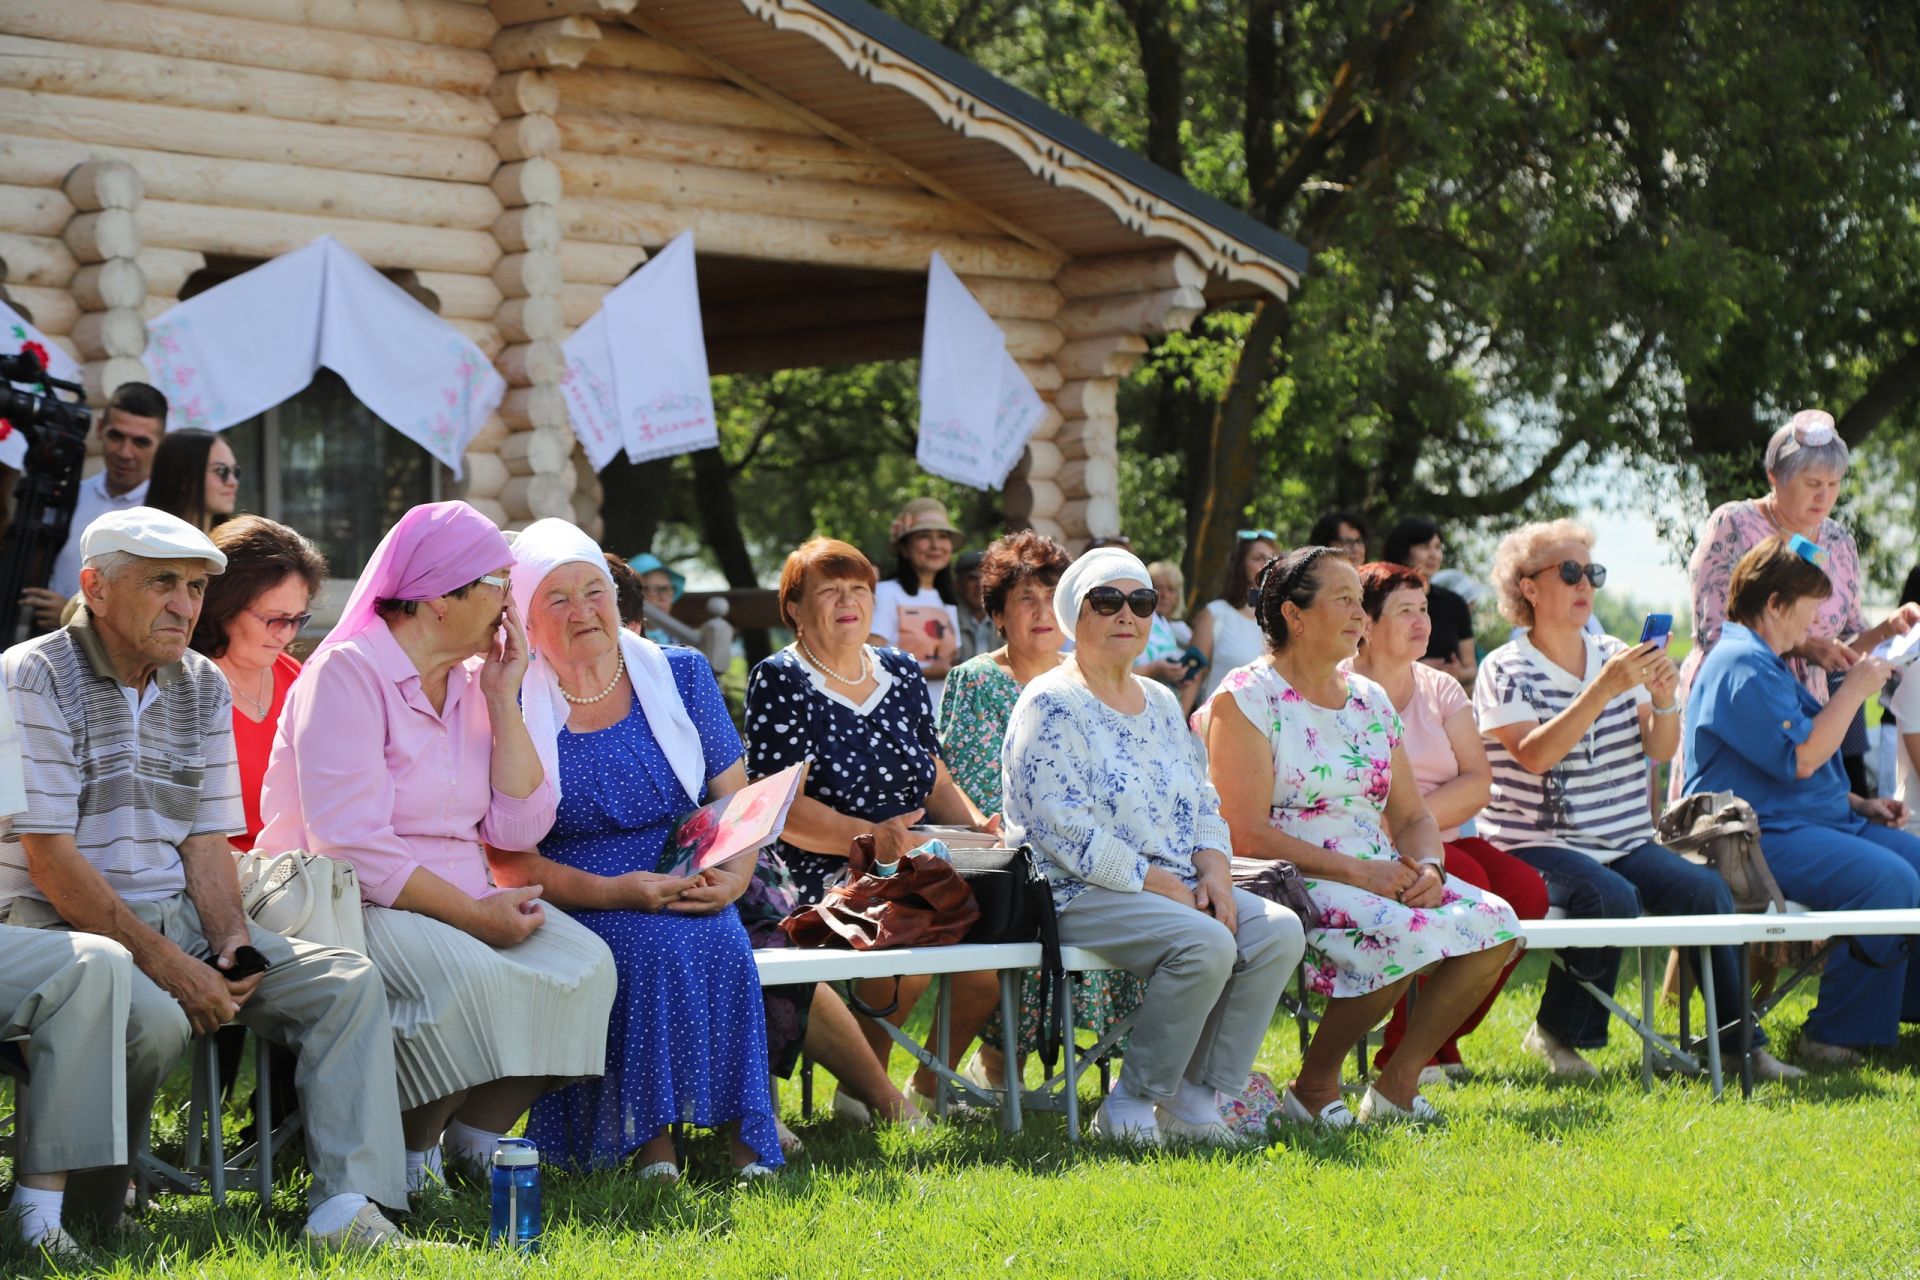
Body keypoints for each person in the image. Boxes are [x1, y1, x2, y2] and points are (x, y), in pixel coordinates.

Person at [2, 508, 417, 1250]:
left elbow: (204, 842)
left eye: (195, 588)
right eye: (163, 583)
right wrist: (170, 968)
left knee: (345, 982)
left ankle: (344, 1209)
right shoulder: (31, 674)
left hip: (174, 913)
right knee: (155, 1016)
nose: (185, 606)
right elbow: (50, 860)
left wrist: (231, 947)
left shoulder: (199, 683)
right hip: (59, 923)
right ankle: (91, 1207)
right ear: (95, 587)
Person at [255, 500, 617, 1194]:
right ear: (439, 597)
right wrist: (475, 918)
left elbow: (518, 829)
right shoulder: (346, 674)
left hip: (463, 892)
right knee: (465, 977)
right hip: (351, 902)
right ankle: (413, 1154)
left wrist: (505, 698)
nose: (510, 603)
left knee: (587, 965)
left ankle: (474, 1139)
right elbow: (353, 844)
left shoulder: (475, 681)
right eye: (497, 584)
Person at [495, 520, 777, 1178]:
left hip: (687, 863)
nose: (582, 611)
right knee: (640, 944)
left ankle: (748, 1135)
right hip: (573, 881)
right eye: (555, 599)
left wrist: (733, 879)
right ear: (528, 620)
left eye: (593, 591)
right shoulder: (512, 699)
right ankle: (649, 1141)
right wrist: (615, 890)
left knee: (723, 938)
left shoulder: (679, 672)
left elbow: (734, 800)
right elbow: (510, 857)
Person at [1201, 547, 1520, 1126]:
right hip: (1285, 876)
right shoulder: (1246, 696)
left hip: (1377, 870)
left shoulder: (1369, 701)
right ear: (1295, 616)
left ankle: (1396, 1085)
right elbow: (1241, 832)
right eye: (1343, 600)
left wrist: (1430, 867)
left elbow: (1414, 816)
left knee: (1498, 924)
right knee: (1396, 932)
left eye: (1360, 601)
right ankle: (1314, 1089)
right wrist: (1360, 873)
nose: (1359, 614)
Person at [1474, 519, 1799, 1081]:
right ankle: (1556, 1035)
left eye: (1592, 572)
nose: (1585, 585)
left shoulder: (1614, 653)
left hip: (1623, 838)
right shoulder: (1505, 668)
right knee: (1612, 897)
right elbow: (1533, 755)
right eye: (1569, 571)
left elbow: (1659, 747)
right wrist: (1601, 689)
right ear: (1528, 587)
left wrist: (1665, 700)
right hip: (1535, 843)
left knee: (1707, 891)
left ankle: (1737, 1043)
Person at [1002, 546, 1304, 1144]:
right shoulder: (1050, 700)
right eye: (1107, 601)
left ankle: (1195, 1099)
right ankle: (1131, 1104)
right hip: (1073, 891)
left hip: (1174, 886)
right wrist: (1163, 884)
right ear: (1074, 615)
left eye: (1140, 602)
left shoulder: (1162, 702)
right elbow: (1061, 828)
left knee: (1277, 930)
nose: (1126, 615)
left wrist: (1215, 869)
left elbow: (1201, 801)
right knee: (1205, 942)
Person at [747, 537, 996, 1117]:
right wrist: (871, 837)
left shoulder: (903, 670)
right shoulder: (780, 678)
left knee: (990, 956)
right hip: (819, 868)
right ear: (794, 608)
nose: (847, 602)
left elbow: (933, 775)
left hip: (915, 856)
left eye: (858, 589)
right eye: (829, 591)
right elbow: (782, 807)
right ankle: (867, 1090)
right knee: (909, 931)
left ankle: (930, 1087)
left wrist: (981, 824)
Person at [1685, 537, 1920, 1063]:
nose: (1815, 625)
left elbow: (1786, 761)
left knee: (1917, 866)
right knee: (1892, 882)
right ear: (1774, 604)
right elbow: (1804, 757)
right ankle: (1833, 1035)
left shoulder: (1764, 661)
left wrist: (1860, 804)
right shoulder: (1740, 664)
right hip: (1758, 838)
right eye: (1810, 610)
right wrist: (1853, 690)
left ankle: (1902, 1017)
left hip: (1811, 823)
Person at [937, 532, 1144, 1088]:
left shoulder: (1093, 677)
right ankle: (1002, 1063)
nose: (1041, 610)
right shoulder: (978, 680)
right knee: (1042, 888)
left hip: (1095, 848)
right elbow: (978, 782)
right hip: (1013, 854)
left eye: (1051, 595)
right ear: (999, 616)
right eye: (1025, 598)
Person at [1347, 561, 1548, 1082]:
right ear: (1365, 623)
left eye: (1425, 610)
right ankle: (1401, 1055)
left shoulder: (1440, 687)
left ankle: (1440, 1036)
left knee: (1528, 895)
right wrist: (1404, 827)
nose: (1423, 622)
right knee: (1474, 888)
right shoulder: (1340, 689)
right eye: (1405, 611)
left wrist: (1412, 819)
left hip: (1438, 836)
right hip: (1364, 849)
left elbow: (1478, 782)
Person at [1676, 410, 1919, 797]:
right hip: (1741, 705)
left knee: (1810, 822)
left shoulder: (1839, 542)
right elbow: (1714, 632)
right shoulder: (1734, 524)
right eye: (1812, 484)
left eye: (1834, 484)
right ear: (1775, 478)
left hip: (1811, 718)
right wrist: (1804, 647)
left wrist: (1888, 628)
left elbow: (1844, 645)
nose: (1825, 496)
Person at [189, 517, 325, 851]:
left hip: (300, 875)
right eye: (274, 618)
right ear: (223, 606)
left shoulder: (295, 675)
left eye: (297, 620)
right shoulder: (183, 685)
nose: (286, 634)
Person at [20, 381, 166, 630]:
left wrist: (71, 614)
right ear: (100, 428)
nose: (125, 452)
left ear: (162, 444)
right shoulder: (70, 495)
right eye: (116, 436)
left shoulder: (163, 515)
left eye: (141, 442)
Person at [869, 497, 962, 715]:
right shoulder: (886, 593)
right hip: (897, 714)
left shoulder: (948, 601)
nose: (936, 545)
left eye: (943, 536)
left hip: (942, 716)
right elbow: (868, 660)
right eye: (924, 536)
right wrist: (928, 672)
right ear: (904, 548)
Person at [1188, 529, 1277, 709]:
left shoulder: (1281, 620)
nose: (1267, 565)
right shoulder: (1215, 614)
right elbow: (1192, 678)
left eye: (1272, 559)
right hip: (1214, 730)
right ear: (1240, 565)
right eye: (1258, 558)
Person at [1383, 516, 1476, 684]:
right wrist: (1417, 668)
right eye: (1425, 547)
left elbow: (1471, 670)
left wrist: (1457, 672)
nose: (1434, 555)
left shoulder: (1455, 603)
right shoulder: (1381, 598)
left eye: (1438, 547)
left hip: (1441, 701)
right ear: (1404, 551)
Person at [144, 428, 240, 534]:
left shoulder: (234, 546)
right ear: (184, 477)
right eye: (221, 471)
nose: (233, 482)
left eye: (235, 471)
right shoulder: (142, 543)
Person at [1133, 559, 1190, 688]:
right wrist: (1152, 670)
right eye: (1158, 587)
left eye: (1171, 589)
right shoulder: (1132, 620)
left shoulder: (1165, 624)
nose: (1164, 595)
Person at [626, 552, 684, 646]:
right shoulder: (621, 638)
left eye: (667, 589)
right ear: (634, 593)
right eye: (656, 590)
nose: (663, 597)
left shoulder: (683, 639)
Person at [952, 549, 999, 662]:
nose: (980, 584)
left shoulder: (1006, 621)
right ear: (957, 585)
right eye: (972, 578)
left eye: (986, 578)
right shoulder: (948, 621)